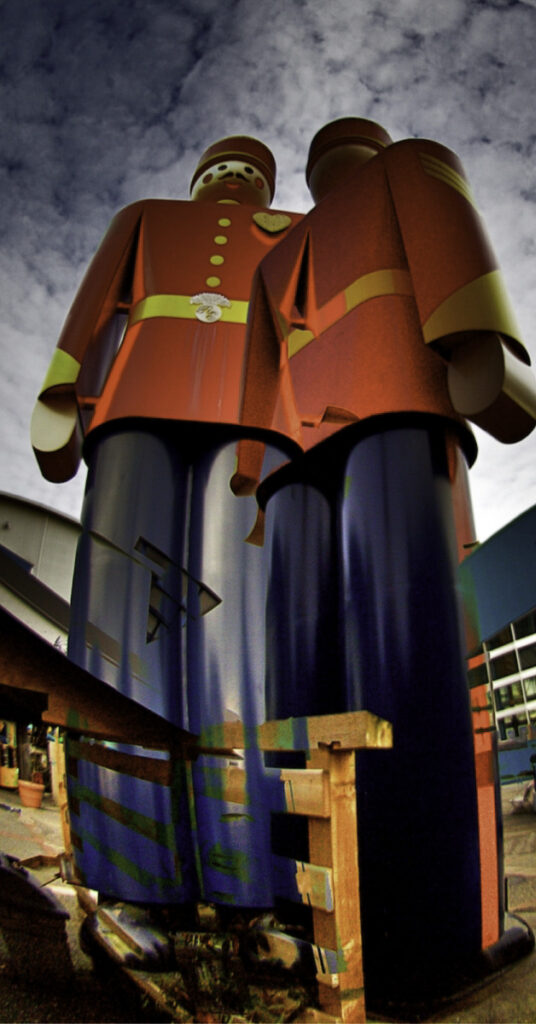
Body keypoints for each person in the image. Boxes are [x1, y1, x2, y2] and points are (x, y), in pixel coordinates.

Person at [249, 117, 536, 1004]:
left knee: (303, 676)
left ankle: (311, 927)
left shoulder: (272, 261)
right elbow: (454, 257)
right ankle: (428, 943)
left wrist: (254, 476)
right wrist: (487, 358)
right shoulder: (411, 166)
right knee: (407, 651)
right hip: (393, 399)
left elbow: (256, 381)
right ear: (369, 153)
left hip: (290, 455)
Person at [32, 137, 302, 907]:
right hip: (137, 397)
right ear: (197, 178)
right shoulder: (144, 218)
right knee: (121, 620)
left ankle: (249, 872)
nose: (234, 180)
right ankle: (129, 874)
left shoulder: (291, 233)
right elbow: (93, 307)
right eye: (222, 168)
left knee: (240, 622)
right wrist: (61, 391)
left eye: (250, 171)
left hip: (252, 412)